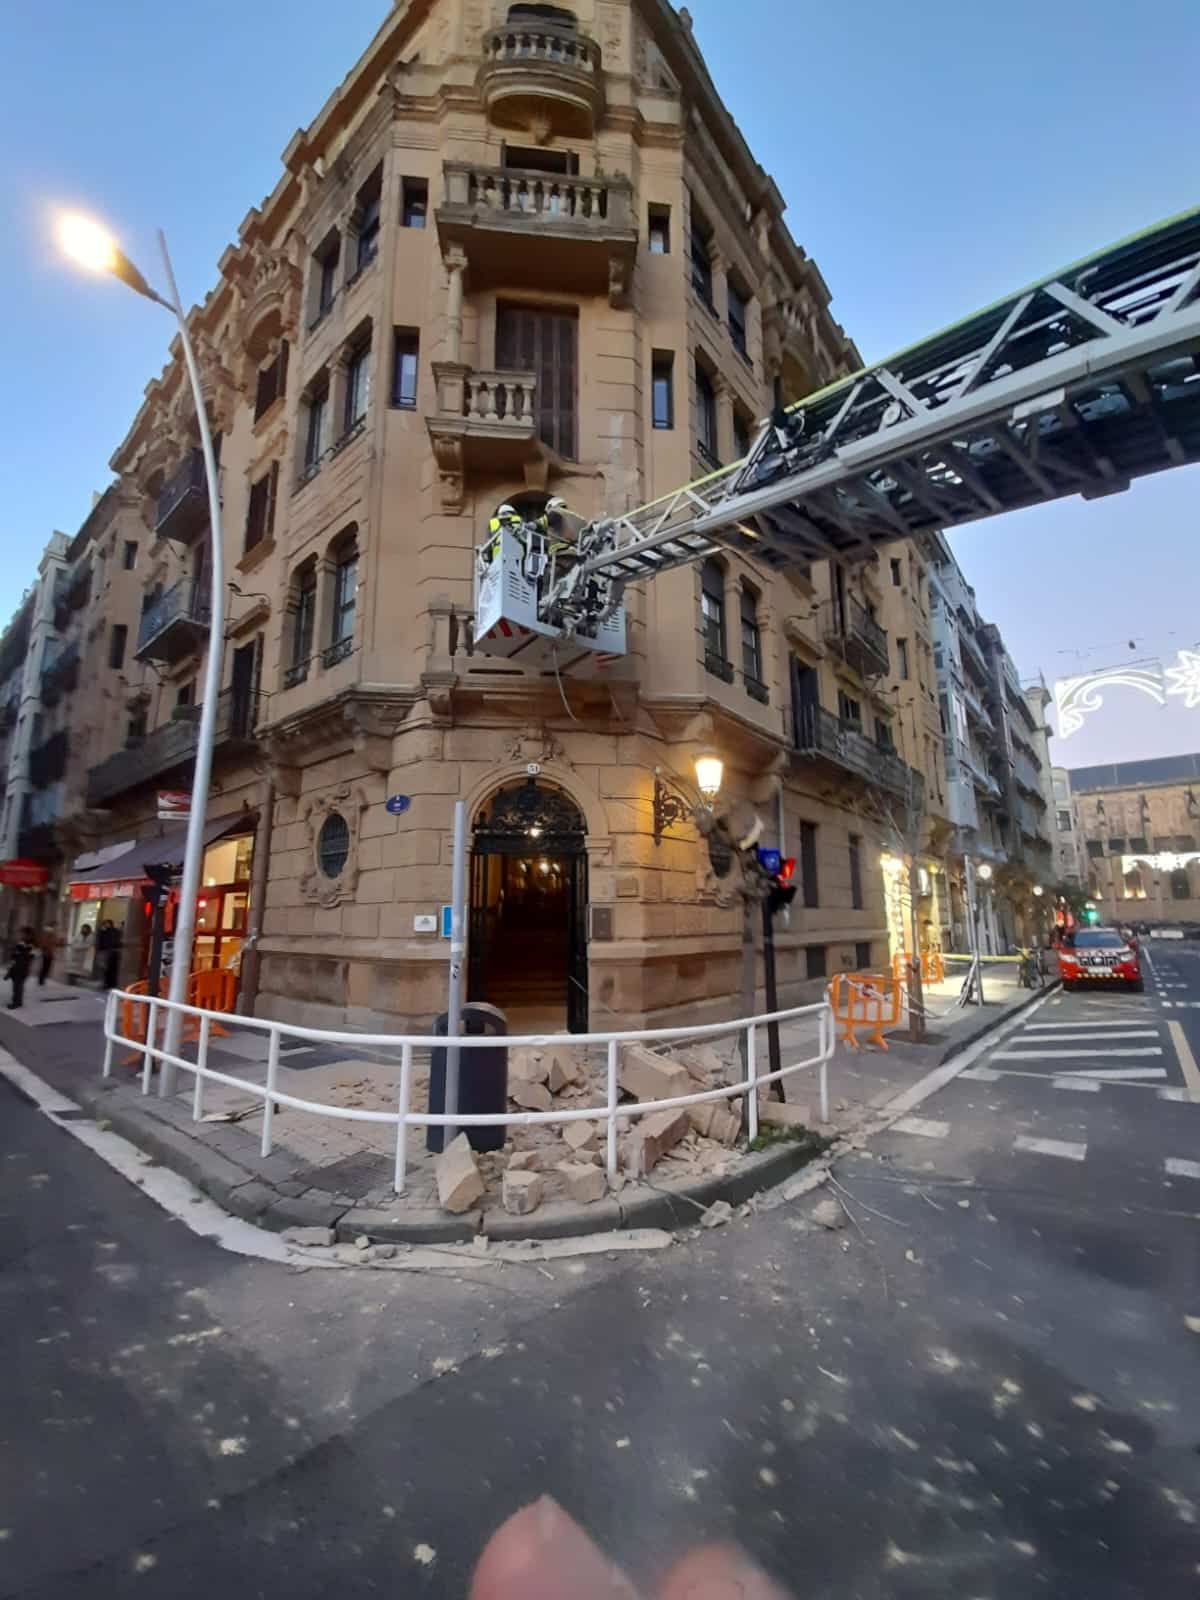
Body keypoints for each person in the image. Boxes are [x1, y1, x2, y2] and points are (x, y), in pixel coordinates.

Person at [6, 927, 36, 1011]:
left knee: (18, 985)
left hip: (23, 967)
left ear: (28, 934)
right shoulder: (22, 941)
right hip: (17, 966)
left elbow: (30, 956)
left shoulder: (32, 943)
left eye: (23, 933)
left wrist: (20, 952)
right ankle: (17, 1001)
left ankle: (16, 1002)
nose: (21, 934)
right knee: (16, 985)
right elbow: (15, 952)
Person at [96, 919, 121, 990]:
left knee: (107, 969)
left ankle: (107, 984)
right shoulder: (104, 931)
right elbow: (100, 941)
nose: (106, 925)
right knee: (103, 969)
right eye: (105, 924)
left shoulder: (114, 932)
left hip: (110, 953)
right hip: (105, 952)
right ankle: (105, 983)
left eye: (107, 924)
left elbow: (114, 942)